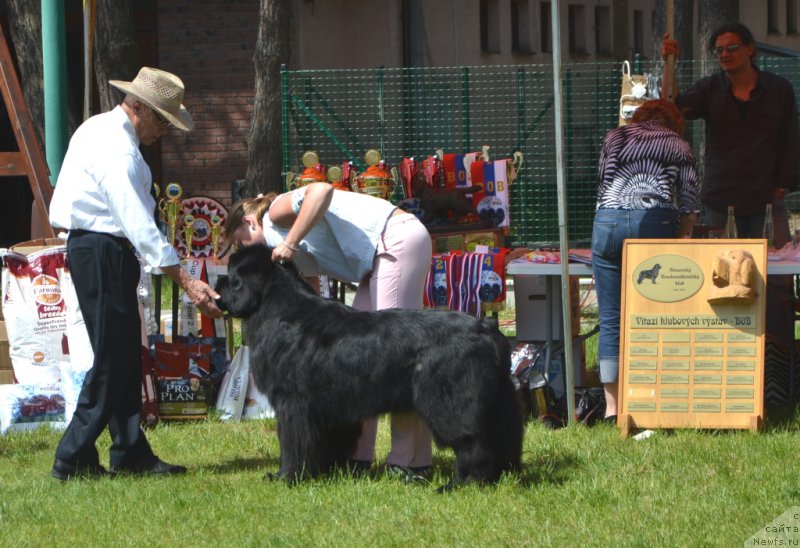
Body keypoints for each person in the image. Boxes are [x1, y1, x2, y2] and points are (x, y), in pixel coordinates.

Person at [48, 67, 223, 480]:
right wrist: (186, 279)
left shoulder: (102, 130)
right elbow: (137, 222)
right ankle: (72, 455)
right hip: (102, 250)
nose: (165, 130)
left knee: (124, 355)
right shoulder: (120, 151)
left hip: (102, 251)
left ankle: (129, 451)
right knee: (113, 358)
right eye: (163, 119)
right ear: (139, 107)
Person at [226, 183, 434, 481]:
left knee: (395, 357)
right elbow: (309, 299)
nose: (244, 250)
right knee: (359, 363)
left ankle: (410, 462)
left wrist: (292, 241)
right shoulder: (283, 255)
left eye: (240, 241)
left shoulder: (274, 213)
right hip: (371, 261)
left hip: (395, 238)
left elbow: (321, 191)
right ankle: (357, 457)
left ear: (249, 222)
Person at [591, 99, 700, 421]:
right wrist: (682, 241)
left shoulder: (615, 137)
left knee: (611, 319)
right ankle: (651, 401)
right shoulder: (678, 144)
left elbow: (602, 183)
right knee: (654, 315)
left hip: (607, 223)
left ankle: (613, 409)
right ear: (675, 121)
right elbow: (690, 202)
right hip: (653, 222)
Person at [661, 23, 800, 243]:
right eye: (719, 50)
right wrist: (669, 63)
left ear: (750, 49)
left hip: (766, 198)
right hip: (721, 199)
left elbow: (791, 138)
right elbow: (672, 108)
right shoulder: (709, 89)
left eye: (732, 47)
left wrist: (784, 184)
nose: (725, 54)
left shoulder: (779, 89)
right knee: (722, 270)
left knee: (774, 268)